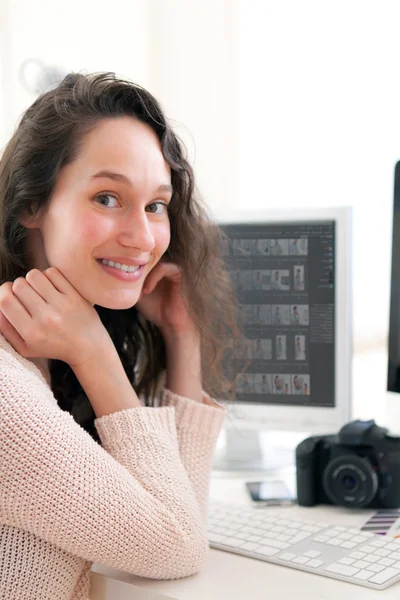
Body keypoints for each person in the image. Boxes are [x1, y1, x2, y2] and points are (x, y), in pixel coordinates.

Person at [0, 72, 240, 599]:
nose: (143, 237)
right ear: (29, 206)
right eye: (107, 198)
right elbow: (176, 547)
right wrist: (93, 352)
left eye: (156, 205)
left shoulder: (49, 361)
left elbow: (179, 519)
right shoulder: (8, 392)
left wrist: (184, 338)